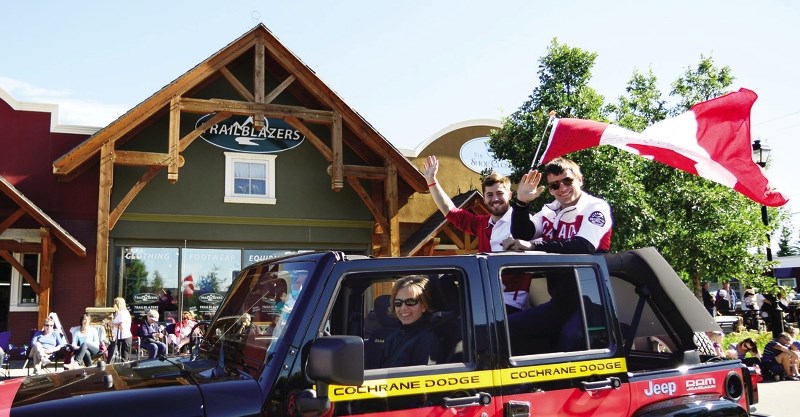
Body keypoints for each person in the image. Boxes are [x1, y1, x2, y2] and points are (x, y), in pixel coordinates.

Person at [500, 158, 612, 354]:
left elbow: (583, 246)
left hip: (591, 303)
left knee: (569, 340)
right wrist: (521, 203)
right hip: (560, 303)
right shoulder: (550, 211)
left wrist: (534, 246)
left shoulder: (595, 207)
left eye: (567, 181)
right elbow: (523, 233)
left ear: (580, 180)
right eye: (554, 185)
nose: (562, 188)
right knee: (505, 328)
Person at [423, 155, 530, 311]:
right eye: (490, 195)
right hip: (484, 297)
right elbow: (450, 211)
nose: (495, 199)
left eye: (500, 193)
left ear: (510, 195)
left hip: (510, 302)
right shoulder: (482, 223)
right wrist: (431, 180)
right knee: (438, 281)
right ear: (484, 199)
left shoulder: (523, 223)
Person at [380, 275, 442, 368]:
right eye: (398, 303)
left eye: (411, 302)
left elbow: (421, 378)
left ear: (423, 306)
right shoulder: (393, 338)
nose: (403, 308)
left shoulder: (428, 340)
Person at [108, 297, 133, 362]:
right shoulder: (121, 313)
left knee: (124, 358)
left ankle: (124, 371)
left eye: (114, 303)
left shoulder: (123, 313)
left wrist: (111, 324)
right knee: (122, 357)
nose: (113, 305)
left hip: (124, 338)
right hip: (122, 337)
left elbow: (122, 327)